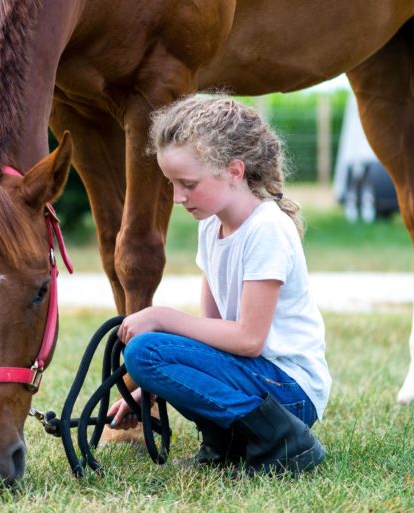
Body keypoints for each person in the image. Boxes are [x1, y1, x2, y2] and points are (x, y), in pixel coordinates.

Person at [108, 93, 331, 476]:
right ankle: (227, 442)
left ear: (234, 171)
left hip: (291, 391)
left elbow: (248, 340)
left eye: (188, 184)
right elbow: (207, 335)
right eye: (172, 184)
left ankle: (286, 443)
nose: (178, 197)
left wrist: (161, 317)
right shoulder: (211, 227)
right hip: (254, 374)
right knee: (145, 357)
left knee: (145, 349)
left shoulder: (267, 229)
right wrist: (152, 383)